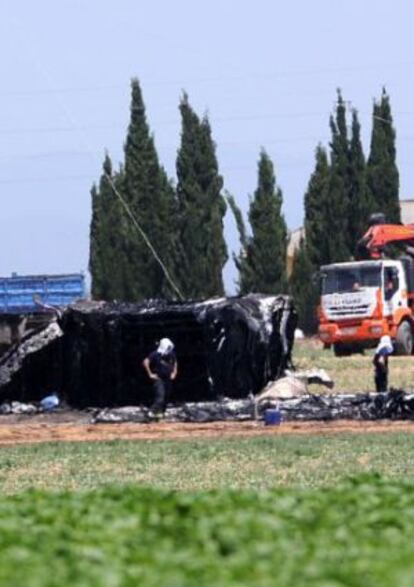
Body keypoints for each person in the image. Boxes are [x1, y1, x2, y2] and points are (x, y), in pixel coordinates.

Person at [143, 338, 177, 415]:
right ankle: (151, 412)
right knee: (160, 397)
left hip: (168, 378)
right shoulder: (155, 354)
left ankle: (161, 412)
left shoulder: (171, 354)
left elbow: (175, 363)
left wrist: (174, 373)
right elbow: (145, 362)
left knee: (166, 397)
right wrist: (150, 374)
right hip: (159, 378)